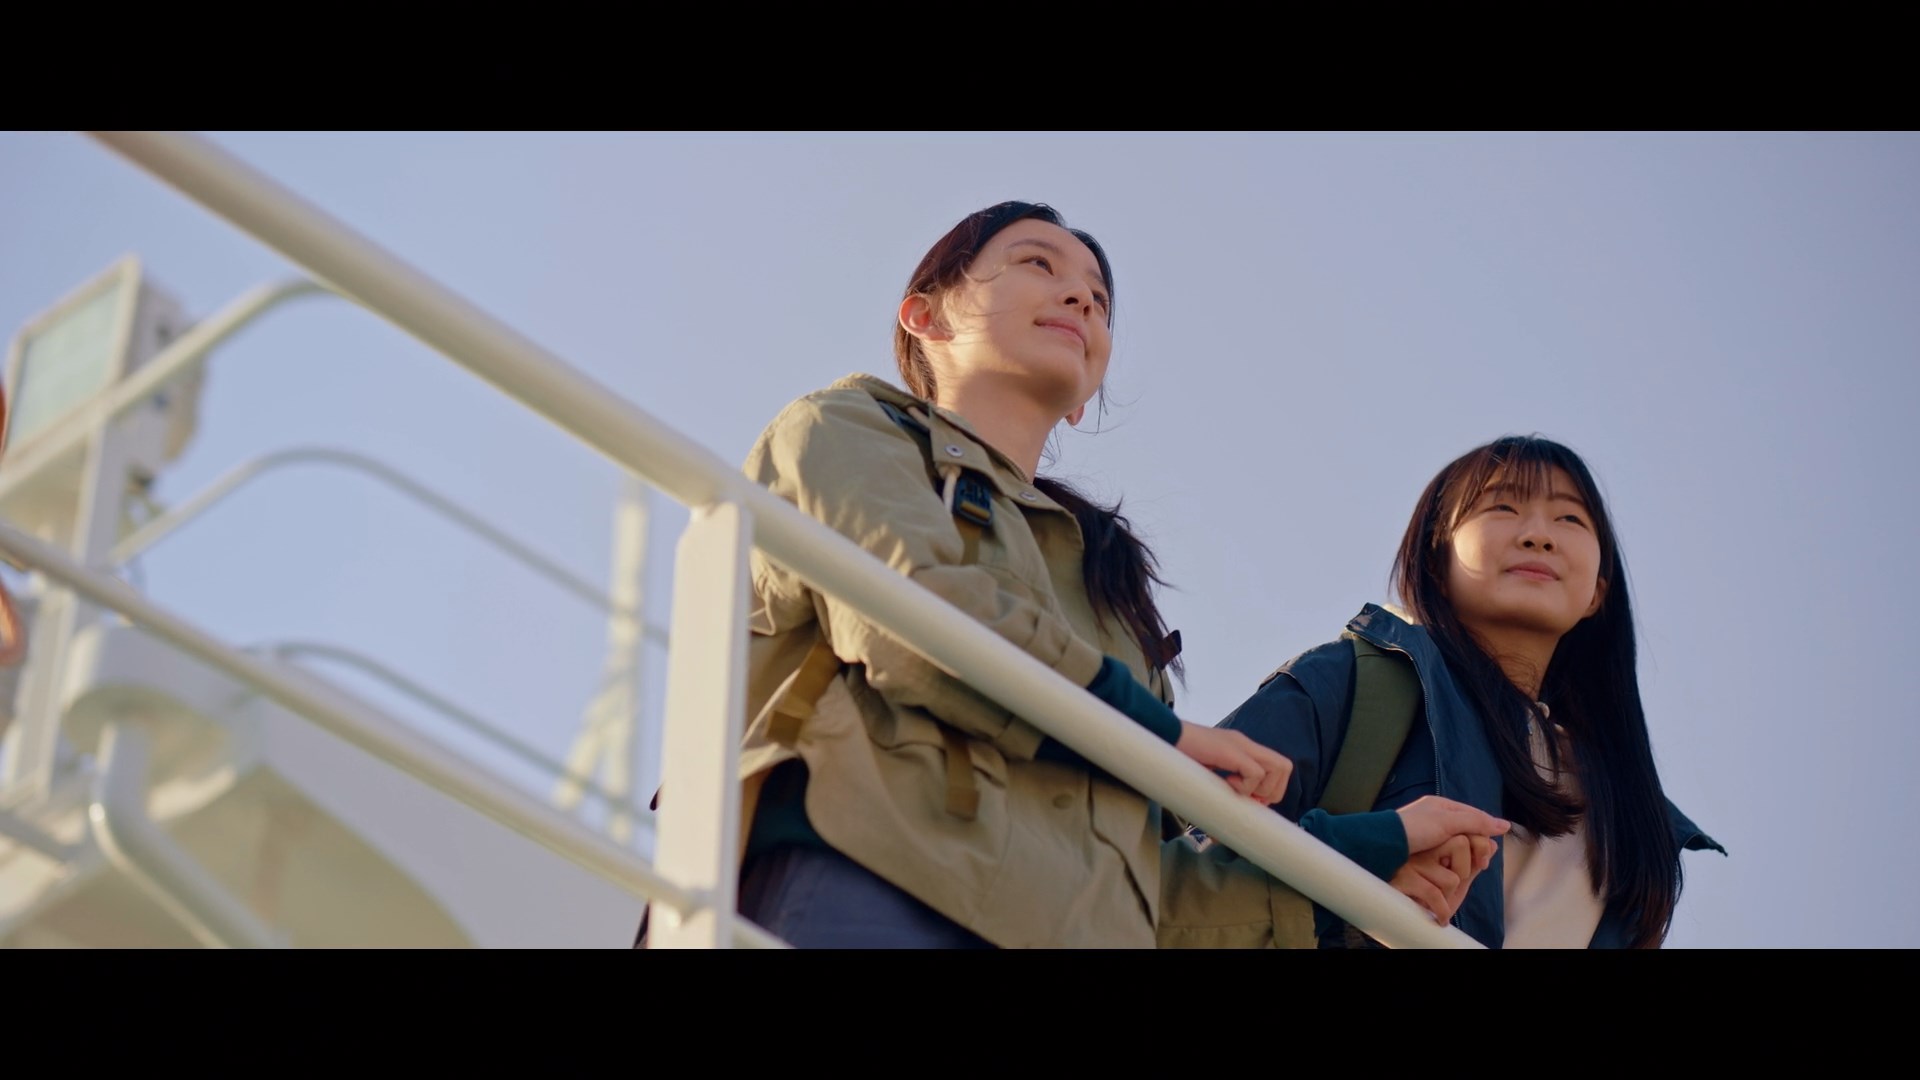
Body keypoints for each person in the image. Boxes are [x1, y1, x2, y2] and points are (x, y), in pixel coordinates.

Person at [639, 200, 1495, 948]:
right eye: (1036, 264)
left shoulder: (1112, 597)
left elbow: (1148, 887)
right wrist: (1159, 737)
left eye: (1100, 297)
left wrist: (1366, 858)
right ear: (924, 316)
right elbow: (913, 619)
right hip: (857, 879)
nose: (1081, 296)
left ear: (1084, 397)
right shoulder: (847, 426)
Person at [1212, 435, 1725, 948]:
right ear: (1437, 559)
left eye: (1570, 518)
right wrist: (1352, 885)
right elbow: (1185, 858)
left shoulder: (1629, 819)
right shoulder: (1352, 684)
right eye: (1503, 507)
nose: (1538, 536)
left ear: (1597, 592)